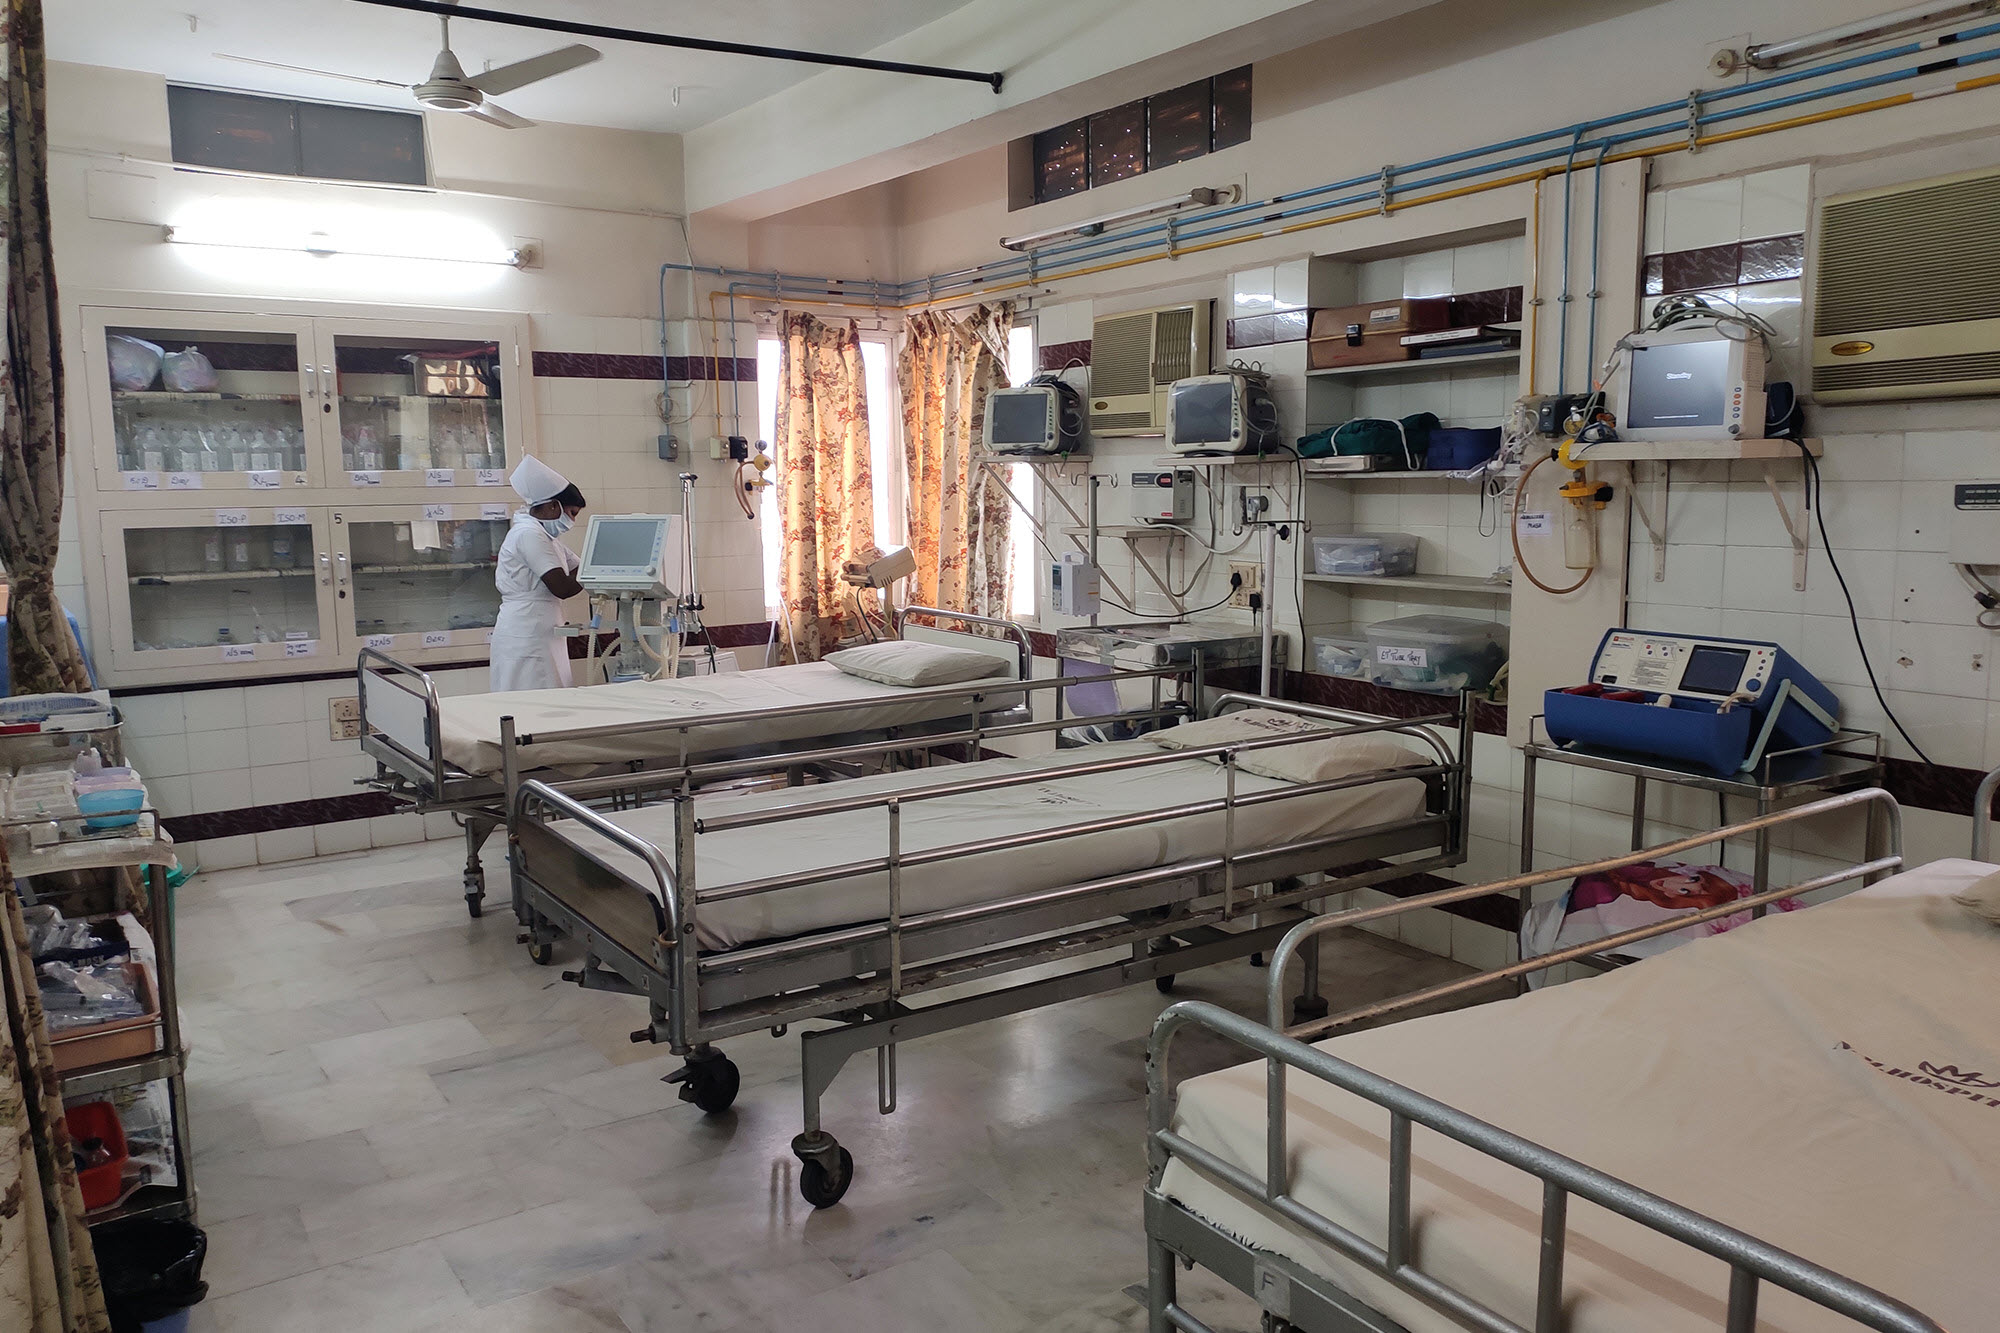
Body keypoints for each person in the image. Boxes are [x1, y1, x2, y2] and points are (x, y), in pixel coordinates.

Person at [490, 457, 588, 691]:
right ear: (553, 506)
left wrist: (593, 567)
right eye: (572, 513)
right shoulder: (528, 534)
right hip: (526, 634)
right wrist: (595, 566)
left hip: (541, 631)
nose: (572, 521)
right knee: (530, 700)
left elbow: (581, 566)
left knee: (550, 695)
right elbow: (563, 587)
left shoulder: (546, 537)